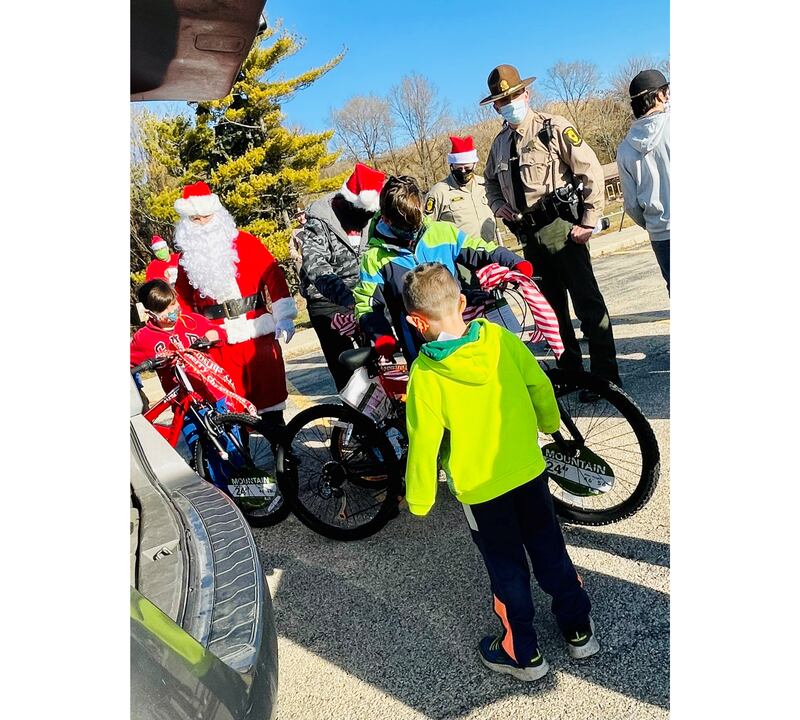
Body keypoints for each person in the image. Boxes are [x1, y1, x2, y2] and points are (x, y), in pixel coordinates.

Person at [401, 262, 599, 682]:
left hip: (481, 489)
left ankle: (523, 652)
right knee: (549, 548)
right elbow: (540, 386)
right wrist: (548, 424)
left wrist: (419, 498)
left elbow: (423, 442)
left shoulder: (426, 375)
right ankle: (577, 629)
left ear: (416, 322)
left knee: (506, 566)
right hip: (527, 470)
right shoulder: (500, 339)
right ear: (461, 302)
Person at [481, 64, 621, 389]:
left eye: (514, 95)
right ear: (496, 106)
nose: (510, 103)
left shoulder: (552, 127)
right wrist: (496, 204)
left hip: (562, 228)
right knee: (552, 312)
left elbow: (590, 171)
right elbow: (489, 182)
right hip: (528, 234)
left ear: (526, 94)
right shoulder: (499, 145)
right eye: (503, 100)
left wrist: (589, 220)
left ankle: (605, 380)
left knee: (588, 306)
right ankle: (572, 377)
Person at [353, 174, 531, 363]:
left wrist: (512, 261)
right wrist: (382, 337)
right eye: (407, 228)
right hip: (419, 347)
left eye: (417, 223)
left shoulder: (442, 232)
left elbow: (479, 249)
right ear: (387, 220)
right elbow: (367, 305)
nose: (414, 232)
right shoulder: (374, 258)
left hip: (460, 332)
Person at [172, 181, 297, 433]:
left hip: (257, 336)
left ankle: (286, 462)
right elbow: (184, 304)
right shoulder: (187, 261)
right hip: (217, 344)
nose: (203, 224)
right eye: (195, 219)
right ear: (187, 222)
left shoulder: (247, 242)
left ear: (218, 215)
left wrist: (284, 316)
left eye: (207, 217)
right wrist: (192, 334)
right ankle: (244, 467)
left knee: (271, 407)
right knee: (231, 411)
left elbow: (273, 277)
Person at [297, 163, 386, 390]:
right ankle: (354, 419)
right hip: (326, 300)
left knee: (381, 359)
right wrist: (346, 300)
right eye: (362, 215)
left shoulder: (371, 216)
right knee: (347, 372)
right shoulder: (319, 221)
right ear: (349, 204)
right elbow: (316, 267)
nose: (364, 222)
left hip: (363, 294)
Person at [130, 279, 228, 406]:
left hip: (215, 393)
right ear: (151, 314)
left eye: (173, 303)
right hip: (183, 404)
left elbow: (220, 334)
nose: (172, 310)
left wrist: (213, 335)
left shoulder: (193, 321)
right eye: (164, 309)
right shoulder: (144, 338)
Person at [617, 69, 670, 293]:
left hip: (660, 234)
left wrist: (652, 224)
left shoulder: (625, 149)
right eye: (667, 92)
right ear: (659, 96)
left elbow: (630, 205)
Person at [424, 136, 501, 244]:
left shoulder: (485, 185)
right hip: (459, 255)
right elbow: (426, 226)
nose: (463, 172)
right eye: (459, 169)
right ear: (452, 166)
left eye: (467, 168)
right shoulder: (439, 192)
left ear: (474, 165)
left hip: (489, 249)